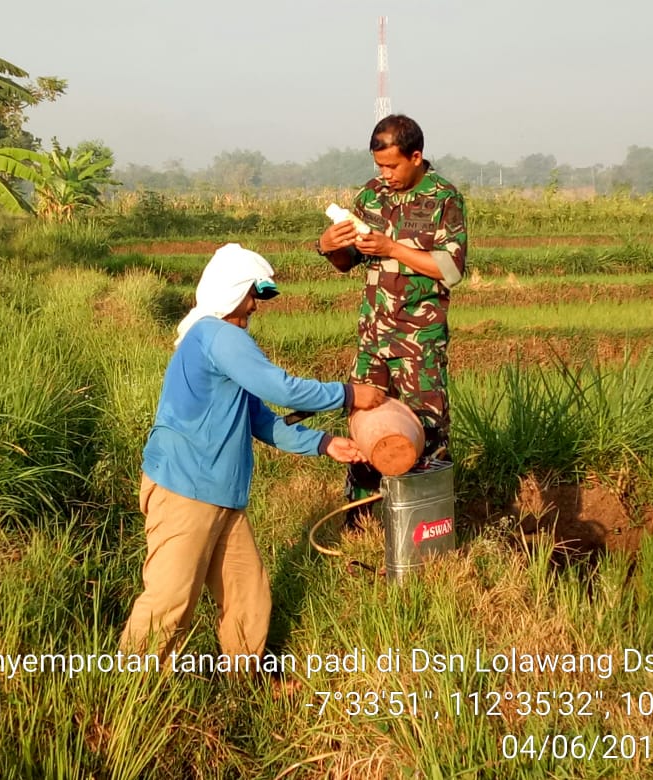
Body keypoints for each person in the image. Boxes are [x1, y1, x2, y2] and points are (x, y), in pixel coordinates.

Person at [118, 242, 384, 665]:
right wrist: (349, 394)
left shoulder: (216, 336)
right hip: (187, 490)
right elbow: (281, 389)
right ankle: (131, 687)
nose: (256, 306)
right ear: (231, 291)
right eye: (251, 295)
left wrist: (323, 443)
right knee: (169, 600)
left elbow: (256, 416)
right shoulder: (217, 335)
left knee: (248, 593)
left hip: (219, 494)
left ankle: (245, 680)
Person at [314, 114, 468, 527]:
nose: (384, 174)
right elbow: (349, 262)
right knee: (365, 427)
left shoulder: (443, 198)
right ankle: (361, 523)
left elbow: (450, 269)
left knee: (427, 432)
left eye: (391, 166)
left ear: (416, 157)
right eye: (378, 166)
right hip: (373, 338)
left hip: (419, 340)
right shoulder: (372, 196)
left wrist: (392, 247)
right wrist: (329, 247)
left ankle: (424, 527)